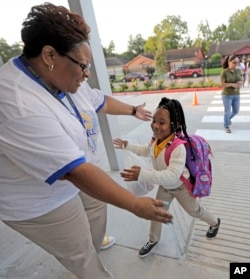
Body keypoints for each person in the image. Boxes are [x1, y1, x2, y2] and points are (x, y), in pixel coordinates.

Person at [0, 3, 173, 279]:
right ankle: (88, 265)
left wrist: (132, 110)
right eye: (83, 65)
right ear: (49, 55)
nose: (87, 73)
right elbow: (74, 171)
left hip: (76, 174)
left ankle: (91, 244)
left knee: (95, 205)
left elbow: (100, 101)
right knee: (81, 256)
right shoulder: (18, 104)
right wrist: (132, 203)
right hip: (42, 200)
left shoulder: (64, 78)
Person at [113, 97, 221, 258]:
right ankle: (153, 239)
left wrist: (143, 175)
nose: (155, 126)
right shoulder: (156, 140)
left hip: (180, 188)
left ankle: (214, 222)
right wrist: (127, 145)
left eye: (161, 122)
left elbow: (172, 176)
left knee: (194, 211)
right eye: (154, 121)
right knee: (156, 213)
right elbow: (145, 150)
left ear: (175, 125)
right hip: (165, 187)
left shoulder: (178, 148)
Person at [221, 55, 242, 133]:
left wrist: (239, 83)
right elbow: (222, 84)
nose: (236, 64)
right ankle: (226, 126)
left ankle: (228, 118)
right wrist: (232, 84)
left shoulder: (238, 71)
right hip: (227, 95)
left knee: (236, 111)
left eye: (237, 63)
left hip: (236, 94)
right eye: (234, 63)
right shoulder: (224, 72)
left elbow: (241, 80)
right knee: (228, 111)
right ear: (229, 62)